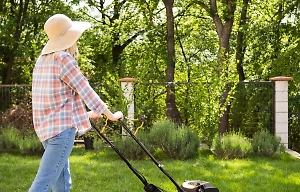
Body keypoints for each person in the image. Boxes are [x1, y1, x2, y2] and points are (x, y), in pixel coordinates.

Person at [29, 14, 123, 192]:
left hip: (46, 133)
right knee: (41, 184)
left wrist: (87, 114)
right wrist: (111, 115)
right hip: (61, 134)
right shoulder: (63, 59)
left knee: (62, 184)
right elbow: (86, 90)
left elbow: (52, 103)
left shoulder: (42, 61)